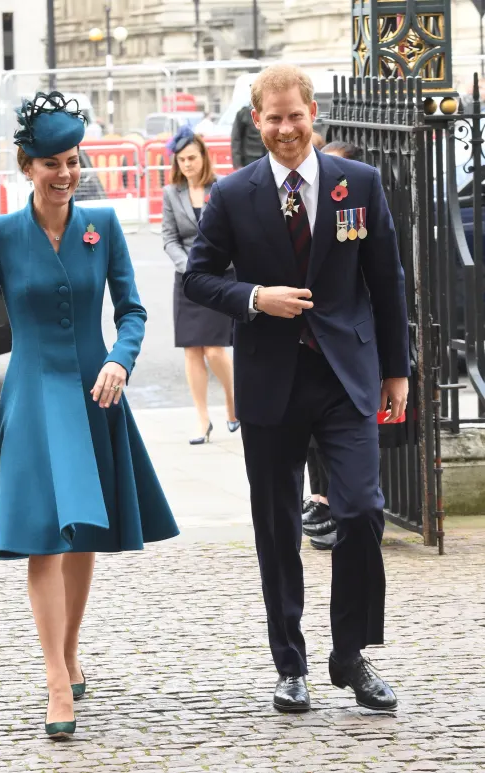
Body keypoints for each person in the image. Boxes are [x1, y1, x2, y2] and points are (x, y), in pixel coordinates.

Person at [0, 91, 179, 739]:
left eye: (72, 160)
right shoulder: (1, 234)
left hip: (93, 393)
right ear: (27, 166)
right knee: (44, 536)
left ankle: (70, 649)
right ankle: (55, 678)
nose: (65, 173)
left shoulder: (102, 227)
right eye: (51, 163)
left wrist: (121, 360)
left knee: (83, 533)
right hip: (31, 398)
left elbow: (132, 311)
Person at [184, 63, 409, 713]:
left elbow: (388, 282)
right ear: (257, 122)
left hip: (346, 376)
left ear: (315, 113)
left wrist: (397, 371)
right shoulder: (232, 195)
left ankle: (351, 655)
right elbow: (198, 279)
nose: (285, 128)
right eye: (273, 118)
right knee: (277, 526)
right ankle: (290, 663)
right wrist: (255, 296)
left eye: (295, 115)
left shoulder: (359, 185)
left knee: (362, 508)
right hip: (269, 380)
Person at [303, 139, 365, 552]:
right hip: (299, 352)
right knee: (309, 439)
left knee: (361, 495)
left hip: (348, 348)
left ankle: (337, 505)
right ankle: (321, 500)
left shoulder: (362, 195)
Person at [162, 126, 239, 444]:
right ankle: (202, 419)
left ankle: (234, 404)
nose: (187, 165)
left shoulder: (222, 188)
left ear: (204, 158)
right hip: (187, 279)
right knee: (192, 350)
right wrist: (189, 267)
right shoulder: (171, 193)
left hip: (219, 276)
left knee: (214, 349)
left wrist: (208, 266)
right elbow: (169, 238)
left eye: (192, 158)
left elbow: (233, 233)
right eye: (181, 160)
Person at [231, 103, 267, 169]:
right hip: (249, 158)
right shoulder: (243, 113)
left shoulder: (268, 111)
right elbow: (236, 139)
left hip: (267, 156)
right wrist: (237, 164)